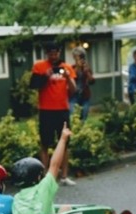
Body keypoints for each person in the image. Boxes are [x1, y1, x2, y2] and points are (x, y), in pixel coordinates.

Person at [29, 42, 76, 186]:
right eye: (50, 53)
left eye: (56, 53)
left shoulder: (66, 68)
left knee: (64, 143)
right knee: (45, 144)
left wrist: (67, 77)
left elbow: (74, 90)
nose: (53, 56)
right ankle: (47, 177)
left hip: (62, 110)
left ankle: (64, 176)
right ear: (47, 54)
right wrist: (45, 76)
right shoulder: (39, 66)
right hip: (46, 110)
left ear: (59, 53)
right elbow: (33, 85)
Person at [11, 123, 72, 214]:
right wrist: (63, 139)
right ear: (38, 177)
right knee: (66, 208)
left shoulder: (16, 200)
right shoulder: (44, 188)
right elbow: (55, 165)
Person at [69, 47, 95, 122]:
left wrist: (87, 72)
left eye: (80, 57)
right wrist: (78, 67)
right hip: (73, 96)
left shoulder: (86, 68)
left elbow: (92, 81)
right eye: (76, 57)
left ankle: (82, 131)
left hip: (84, 96)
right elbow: (72, 78)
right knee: (73, 116)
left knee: (84, 117)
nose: (79, 60)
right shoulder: (72, 68)